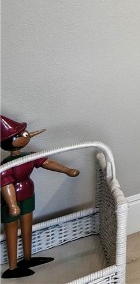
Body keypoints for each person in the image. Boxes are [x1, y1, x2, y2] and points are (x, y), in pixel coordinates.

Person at [1, 116, 79, 279]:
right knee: (12, 228)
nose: (27, 135)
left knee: (27, 225)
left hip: (28, 193)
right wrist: (12, 204)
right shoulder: (6, 165)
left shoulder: (29, 156)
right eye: (21, 135)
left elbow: (46, 162)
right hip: (10, 200)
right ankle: (13, 267)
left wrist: (66, 170)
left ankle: (28, 258)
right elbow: (5, 184)